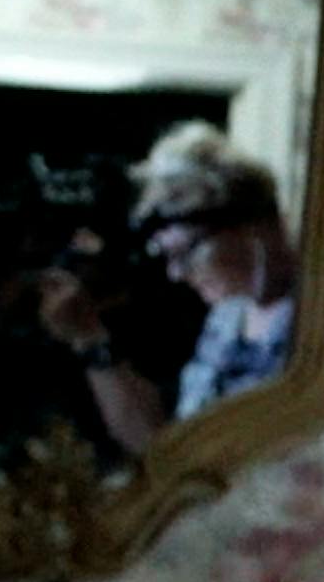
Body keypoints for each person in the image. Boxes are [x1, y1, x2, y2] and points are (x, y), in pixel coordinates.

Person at [36, 122, 297, 456]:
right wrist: (89, 338)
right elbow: (166, 452)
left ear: (246, 226)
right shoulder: (228, 317)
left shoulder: (315, 317)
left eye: (186, 253)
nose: (177, 274)